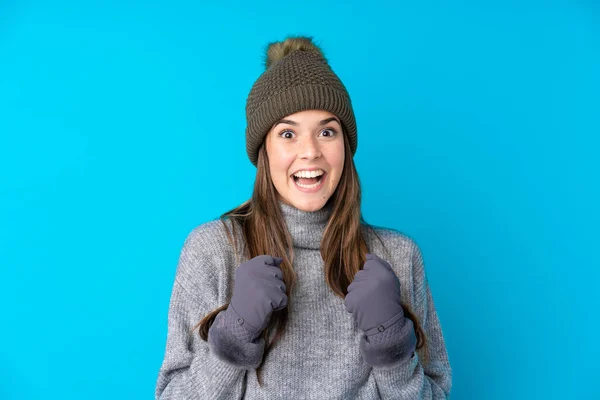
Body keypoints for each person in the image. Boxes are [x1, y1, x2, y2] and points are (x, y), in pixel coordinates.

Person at [155, 35, 452, 399]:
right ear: (263, 148)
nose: (310, 151)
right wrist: (231, 338)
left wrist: (391, 346)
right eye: (288, 134)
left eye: (327, 131)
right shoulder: (214, 250)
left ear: (346, 145)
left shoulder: (398, 256)